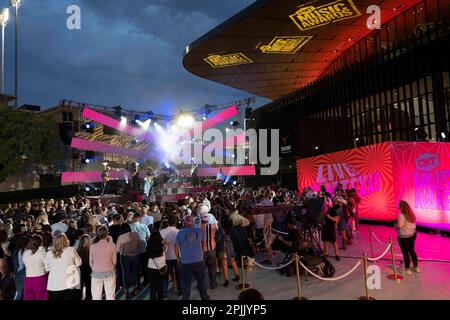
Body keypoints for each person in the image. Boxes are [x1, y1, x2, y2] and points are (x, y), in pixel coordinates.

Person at [174, 215, 209, 300]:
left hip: (186, 263)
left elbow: (176, 247)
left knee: (186, 284)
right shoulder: (199, 231)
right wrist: (202, 253)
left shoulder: (180, 232)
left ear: (184, 223)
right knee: (201, 282)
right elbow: (204, 243)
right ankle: (204, 298)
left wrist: (178, 258)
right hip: (199, 260)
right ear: (193, 222)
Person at [45, 234, 82, 300]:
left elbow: (47, 269)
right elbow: (79, 263)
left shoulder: (49, 253)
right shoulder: (71, 250)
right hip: (69, 283)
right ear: (66, 240)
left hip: (55, 284)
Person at [89, 226, 117, 300]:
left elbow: (91, 261)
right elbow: (114, 261)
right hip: (109, 272)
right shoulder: (112, 245)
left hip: (96, 273)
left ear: (98, 234)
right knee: (110, 296)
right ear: (107, 234)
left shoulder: (93, 246)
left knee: (96, 296)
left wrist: (95, 269)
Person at [395, 201, 420, 275]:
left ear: (401, 206)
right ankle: (416, 267)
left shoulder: (401, 215)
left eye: (398, 204)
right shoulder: (411, 214)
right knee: (412, 250)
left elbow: (400, 226)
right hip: (412, 235)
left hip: (404, 237)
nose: (397, 205)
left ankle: (407, 269)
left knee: (405, 252)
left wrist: (395, 226)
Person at [116, 223, 140, 299]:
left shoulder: (121, 237)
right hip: (135, 255)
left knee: (125, 273)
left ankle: (126, 290)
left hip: (125, 257)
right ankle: (135, 288)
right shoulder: (136, 234)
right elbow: (139, 244)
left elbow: (117, 250)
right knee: (135, 272)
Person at [160, 215, 181, 296]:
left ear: (168, 222)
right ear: (175, 223)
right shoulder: (179, 231)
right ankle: (180, 290)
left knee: (165, 275)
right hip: (177, 256)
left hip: (166, 256)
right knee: (179, 274)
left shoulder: (162, 231)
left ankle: (165, 292)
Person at [22, 235, 48, 300]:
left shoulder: (25, 253)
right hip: (40, 279)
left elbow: (24, 265)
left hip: (28, 279)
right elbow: (48, 267)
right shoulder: (42, 253)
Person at [130, 212, 150, 287]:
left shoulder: (130, 226)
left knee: (136, 268)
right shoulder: (144, 226)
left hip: (134, 250)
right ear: (139, 218)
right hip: (143, 248)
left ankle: (137, 283)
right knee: (145, 266)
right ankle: (146, 281)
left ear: (133, 218)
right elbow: (148, 236)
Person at [200, 212, 218, 290]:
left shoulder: (199, 228)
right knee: (212, 268)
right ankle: (213, 284)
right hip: (212, 249)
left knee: (202, 269)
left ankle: (201, 285)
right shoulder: (213, 226)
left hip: (202, 251)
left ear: (201, 219)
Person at [147, 231, 167, 300]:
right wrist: (161, 238)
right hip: (161, 268)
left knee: (152, 286)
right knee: (160, 287)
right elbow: (167, 243)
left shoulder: (149, 246)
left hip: (151, 267)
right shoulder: (162, 247)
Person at [321, 194, 340, 261]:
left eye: (326, 203)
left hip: (331, 227)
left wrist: (329, 217)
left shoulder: (333, 210)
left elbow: (336, 219)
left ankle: (337, 255)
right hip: (324, 226)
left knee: (333, 241)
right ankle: (326, 253)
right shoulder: (323, 211)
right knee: (325, 241)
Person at [77, 234, 92, 300]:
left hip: (80, 269)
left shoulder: (77, 250)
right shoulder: (91, 249)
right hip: (89, 269)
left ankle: (80, 297)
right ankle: (88, 297)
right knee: (89, 285)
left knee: (80, 285)